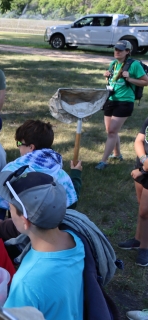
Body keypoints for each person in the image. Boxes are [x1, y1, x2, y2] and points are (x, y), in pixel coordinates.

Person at [0, 169, 84, 319]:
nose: (10, 214)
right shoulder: (76, 240)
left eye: (11, 209)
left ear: (25, 221)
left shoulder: (26, 283)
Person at [0, 120, 78, 212]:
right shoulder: (60, 173)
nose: (18, 146)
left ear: (31, 147)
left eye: (19, 143)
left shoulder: (13, 170)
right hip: (51, 225)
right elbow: (71, 202)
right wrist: (76, 174)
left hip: (19, 226)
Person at [96, 40, 148, 170]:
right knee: (110, 131)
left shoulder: (134, 65)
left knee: (112, 131)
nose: (117, 51)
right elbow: (113, 81)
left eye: (120, 49)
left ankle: (103, 161)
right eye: (116, 49)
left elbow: (146, 82)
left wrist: (130, 78)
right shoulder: (113, 63)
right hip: (111, 99)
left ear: (128, 52)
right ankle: (117, 154)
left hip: (125, 101)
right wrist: (106, 76)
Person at [123, 117, 148, 266]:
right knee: (142, 208)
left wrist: (143, 169)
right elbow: (139, 140)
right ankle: (138, 240)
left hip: (143, 171)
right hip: (142, 167)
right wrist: (144, 160)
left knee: (146, 212)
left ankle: (145, 247)